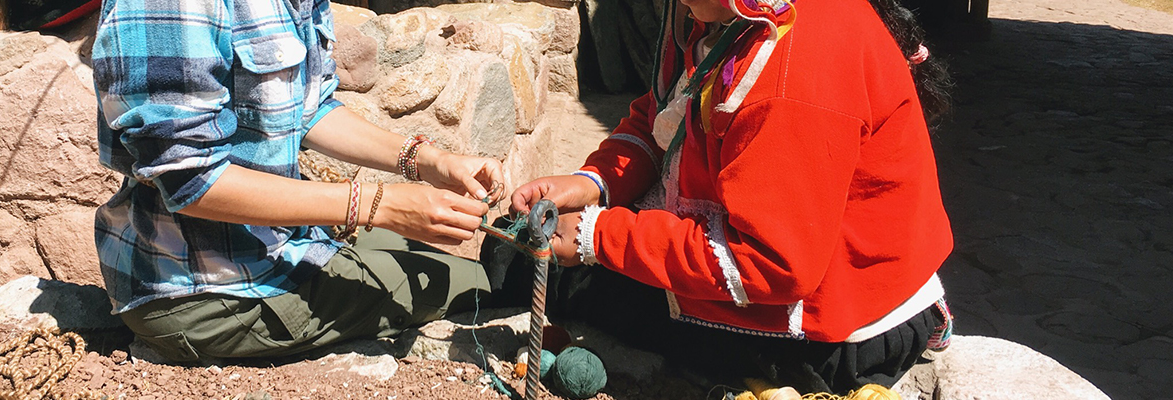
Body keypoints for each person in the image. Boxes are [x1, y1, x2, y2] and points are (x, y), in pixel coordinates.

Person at [496, 0, 954, 394]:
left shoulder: (794, 68)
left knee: (526, 263)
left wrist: (598, 236)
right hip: (794, 268)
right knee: (517, 244)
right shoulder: (738, 19)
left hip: (834, 339)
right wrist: (594, 181)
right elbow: (667, 120)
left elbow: (768, 263)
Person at [91, 0, 503, 362]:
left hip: (279, 245)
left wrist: (429, 161)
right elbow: (190, 179)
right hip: (206, 293)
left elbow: (311, 109)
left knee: (447, 268)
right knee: (480, 287)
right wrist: (381, 205)